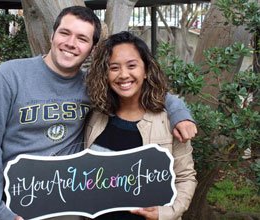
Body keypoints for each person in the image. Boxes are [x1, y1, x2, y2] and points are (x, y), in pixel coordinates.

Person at [0, 6, 196, 220]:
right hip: (12, 204)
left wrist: (178, 112)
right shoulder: (10, 76)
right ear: (52, 35)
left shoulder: (91, 86)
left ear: (92, 48)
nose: (71, 43)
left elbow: (139, 87)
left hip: (66, 206)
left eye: (82, 38)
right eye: (65, 33)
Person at [84, 31, 197, 220]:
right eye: (114, 68)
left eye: (132, 65)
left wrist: (165, 213)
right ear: (105, 74)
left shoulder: (169, 121)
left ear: (145, 70)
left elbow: (185, 177)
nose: (123, 75)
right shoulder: (95, 117)